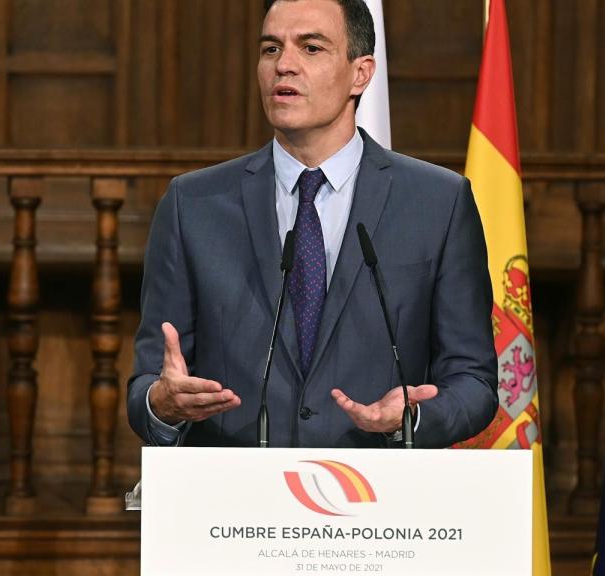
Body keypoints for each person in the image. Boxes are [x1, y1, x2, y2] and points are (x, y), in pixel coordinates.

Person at [127, 0, 497, 448]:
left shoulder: (438, 202)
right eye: (270, 49)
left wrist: (414, 416)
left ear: (360, 73)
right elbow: (149, 383)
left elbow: (473, 382)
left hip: (375, 501)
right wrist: (160, 403)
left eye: (311, 48)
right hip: (234, 507)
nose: (284, 65)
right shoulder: (194, 204)